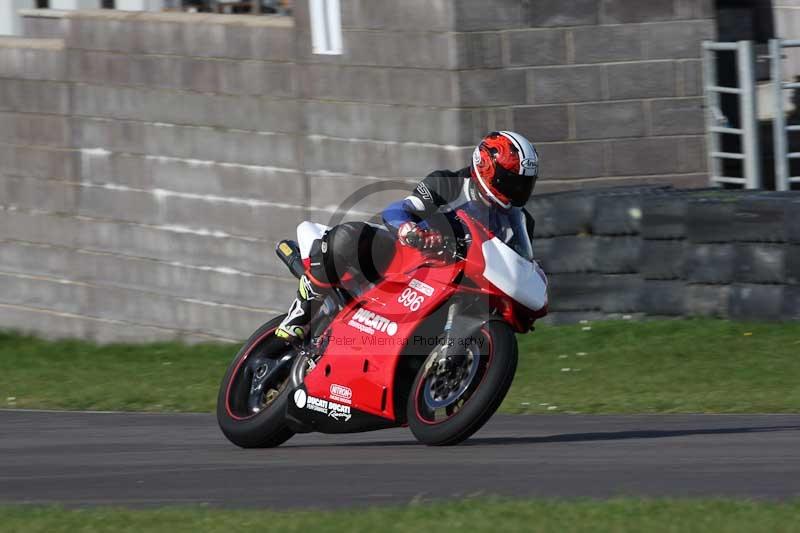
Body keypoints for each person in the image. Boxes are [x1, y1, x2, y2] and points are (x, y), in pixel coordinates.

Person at [276, 131, 540, 340]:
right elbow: (399, 209)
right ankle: (302, 311)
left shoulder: (520, 221)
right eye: (511, 180)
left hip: (461, 282)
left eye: (524, 183)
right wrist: (409, 229)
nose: (518, 190)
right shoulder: (448, 184)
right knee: (347, 238)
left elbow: (520, 264)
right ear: (486, 168)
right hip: (408, 260)